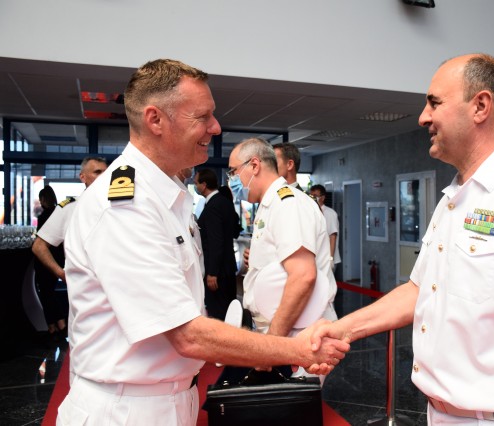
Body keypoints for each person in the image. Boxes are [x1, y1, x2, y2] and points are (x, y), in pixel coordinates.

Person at [310, 53, 494, 425]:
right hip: (441, 414)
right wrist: (342, 329)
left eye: (434, 103)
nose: (423, 117)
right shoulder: (455, 198)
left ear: (480, 106)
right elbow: (419, 290)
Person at [57, 59, 348, 426]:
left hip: (168, 398)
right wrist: (294, 349)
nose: (216, 127)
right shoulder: (126, 205)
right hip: (126, 409)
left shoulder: (168, 197)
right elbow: (187, 336)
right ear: (155, 119)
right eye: (203, 116)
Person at [228, 138, 338, 375]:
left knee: (291, 399)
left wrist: (272, 346)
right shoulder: (270, 203)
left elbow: (303, 276)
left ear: (254, 165)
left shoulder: (287, 204)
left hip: (297, 335)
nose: (232, 180)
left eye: (233, 171)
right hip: (283, 331)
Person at [32, 156, 107, 284]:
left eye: (106, 172)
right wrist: (62, 274)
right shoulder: (69, 208)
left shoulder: (118, 206)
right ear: (83, 177)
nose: (103, 177)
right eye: (97, 172)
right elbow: (39, 246)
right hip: (83, 286)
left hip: (113, 284)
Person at [195, 168, 239, 320]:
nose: (196, 186)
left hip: (218, 273)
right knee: (229, 312)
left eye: (196, 183)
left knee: (219, 313)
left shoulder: (213, 206)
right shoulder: (224, 201)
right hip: (227, 268)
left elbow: (216, 240)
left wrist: (212, 273)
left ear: (204, 185)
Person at [33, 185, 67, 343]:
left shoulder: (44, 216)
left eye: (41, 199)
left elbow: (39, 243)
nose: (40, 202)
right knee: (49, 293)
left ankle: (56, 326)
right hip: (58, 260)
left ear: (44, 199)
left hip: (44, 261)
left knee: (46, 294)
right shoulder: (59, 213)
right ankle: (58, 324)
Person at [309, 184, 341, 272]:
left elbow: (332, 237)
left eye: (315, 196)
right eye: (311, 196)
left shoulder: (330, 213)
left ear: (322, 198)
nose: (312, 198)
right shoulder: (311, 212)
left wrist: (330, 259)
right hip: (317, 258)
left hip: (327, 259)